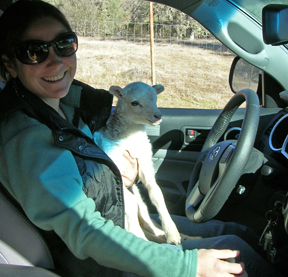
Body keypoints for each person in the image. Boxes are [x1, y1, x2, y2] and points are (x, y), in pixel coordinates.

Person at [0, 1, 282, 276]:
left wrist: (122, 175)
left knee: (235, 231)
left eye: (64, 44)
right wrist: (187, 266)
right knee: (236, 250)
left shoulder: (66, 108)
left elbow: (93, 173)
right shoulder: (27, 138)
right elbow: (84, 231)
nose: (56, 60)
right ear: (10, 65)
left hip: (119, 217)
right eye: (34, 52)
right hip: (104, 260)